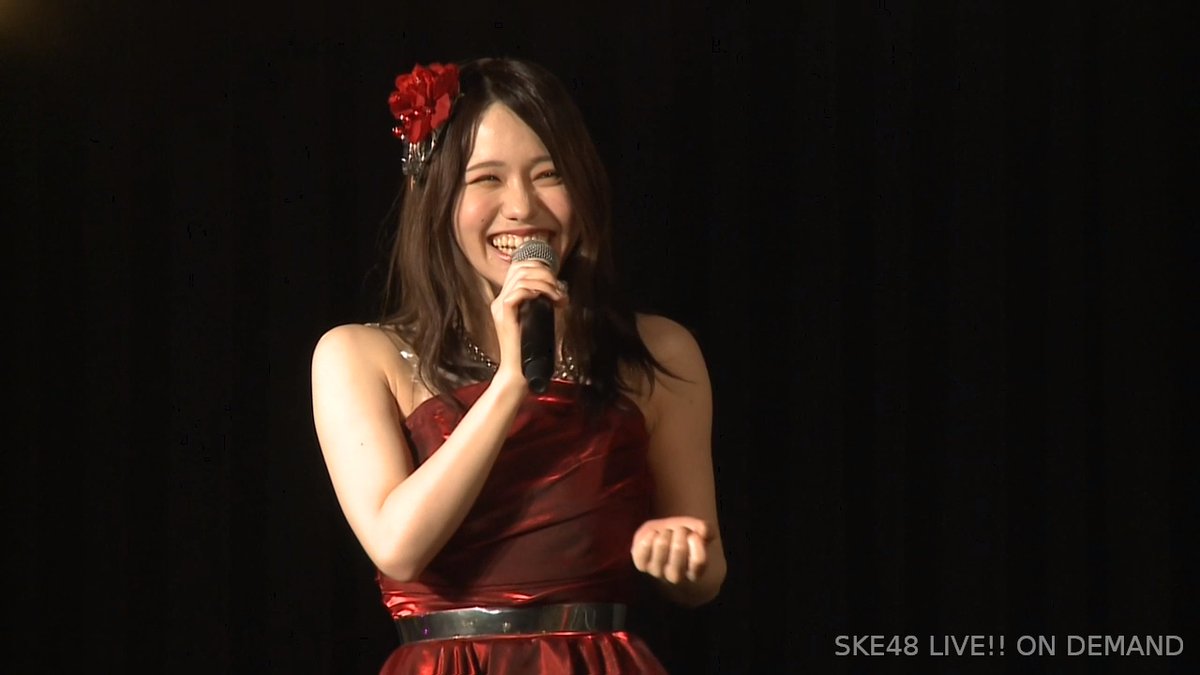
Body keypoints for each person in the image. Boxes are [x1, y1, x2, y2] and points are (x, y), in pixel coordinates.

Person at [310, 56, 726, 674]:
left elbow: (706, 576)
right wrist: (511, 379)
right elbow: (398, 548)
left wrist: (679, 557)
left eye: (548, 173)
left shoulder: (660, 352)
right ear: (436, 196)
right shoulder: (358, 355)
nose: (522, 207)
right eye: (487, 179)